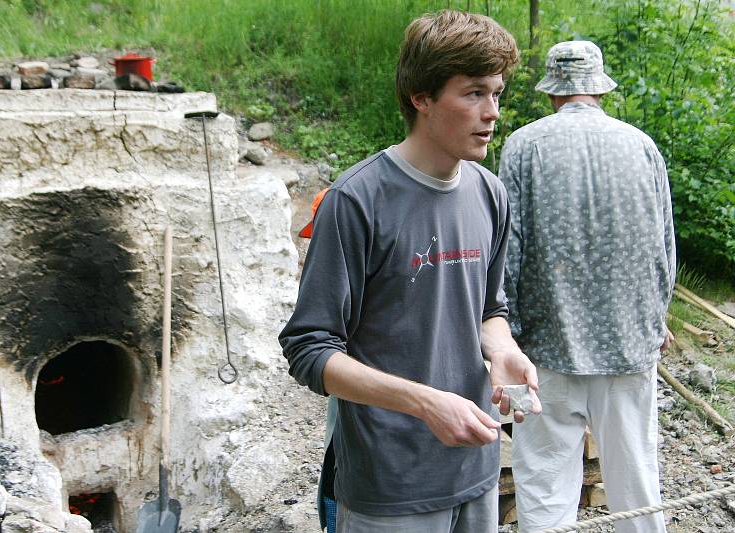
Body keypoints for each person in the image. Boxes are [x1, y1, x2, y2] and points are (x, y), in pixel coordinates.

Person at [278, 10, 541, 533]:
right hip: (389, 483)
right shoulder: (356, 201)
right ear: (421, 98)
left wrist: (504, 349)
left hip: (476, 465)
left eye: (497, 93)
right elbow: (309, 350)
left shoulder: (490, 194)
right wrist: (424, 403)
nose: (492, 113)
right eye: (473, 94)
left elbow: (490, 308)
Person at [498, 40, 676, 533]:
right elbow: (665, 248)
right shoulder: (641, 146)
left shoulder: (523, 145)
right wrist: (654, 321)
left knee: (545, 483)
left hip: (544, 347)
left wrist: (504, 334)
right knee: (637, 480)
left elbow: (506, 250)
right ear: (599, 87)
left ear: (552, 90)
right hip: (628, 347)